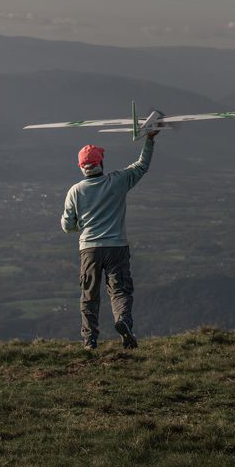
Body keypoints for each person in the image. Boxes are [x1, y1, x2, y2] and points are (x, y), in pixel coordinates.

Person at [61, 131, 158, 350]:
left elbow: (67, 226)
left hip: (89, 249)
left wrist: (82, 225)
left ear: (81, 167)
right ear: (101, 162)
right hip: (117, 247)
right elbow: (142, 165)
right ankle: (123, 321)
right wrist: (150, 138)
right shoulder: (118, 181)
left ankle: (89, 340)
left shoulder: (75, 191)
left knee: (89, 295)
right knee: (120, 290)